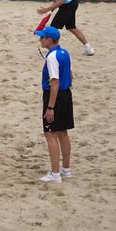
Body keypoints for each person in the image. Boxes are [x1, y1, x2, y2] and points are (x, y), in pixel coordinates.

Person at [34, 26, 75, 183]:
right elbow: (70, 74)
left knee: (50, 134)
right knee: (63, 132)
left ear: (49, 40)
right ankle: (66, 170)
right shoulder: (64, 52)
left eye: (42, 37)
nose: (40, 39)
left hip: (55, 96)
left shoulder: (51, 57)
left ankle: (55, 174)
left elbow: (55, 83)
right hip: (66, 95)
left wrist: (50, 107)